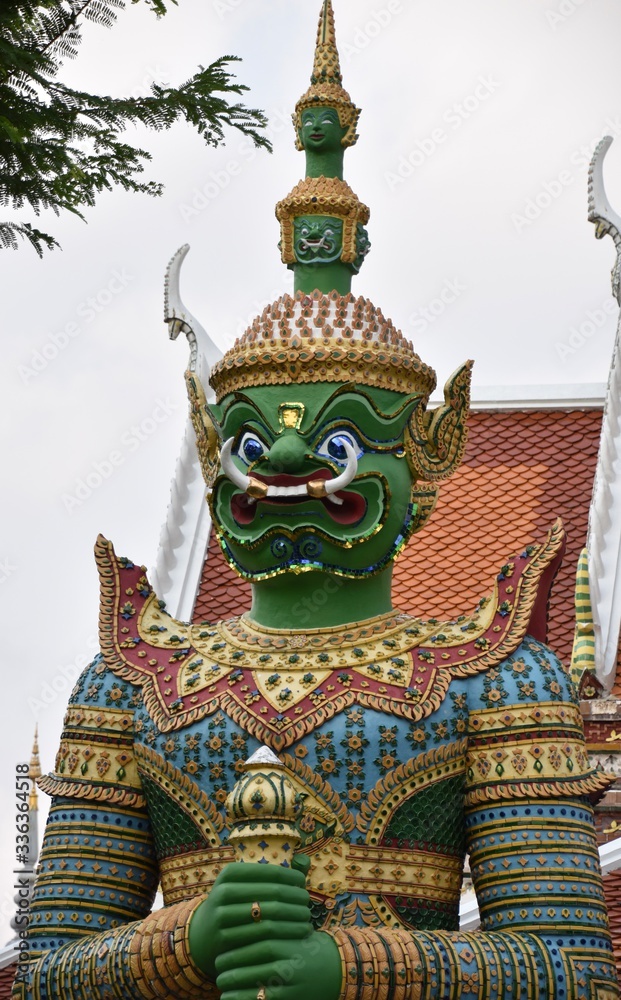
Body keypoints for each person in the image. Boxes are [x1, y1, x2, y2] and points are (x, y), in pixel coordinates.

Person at [15, 4, 619, 999]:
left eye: (337, 439)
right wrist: (186, 941)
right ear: (215, 459)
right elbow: (44, 975)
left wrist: (346, 964)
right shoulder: (132, 686)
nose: (286, 461)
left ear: (426, 460)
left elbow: (566, 968)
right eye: (252, 441)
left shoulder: (492, 680)